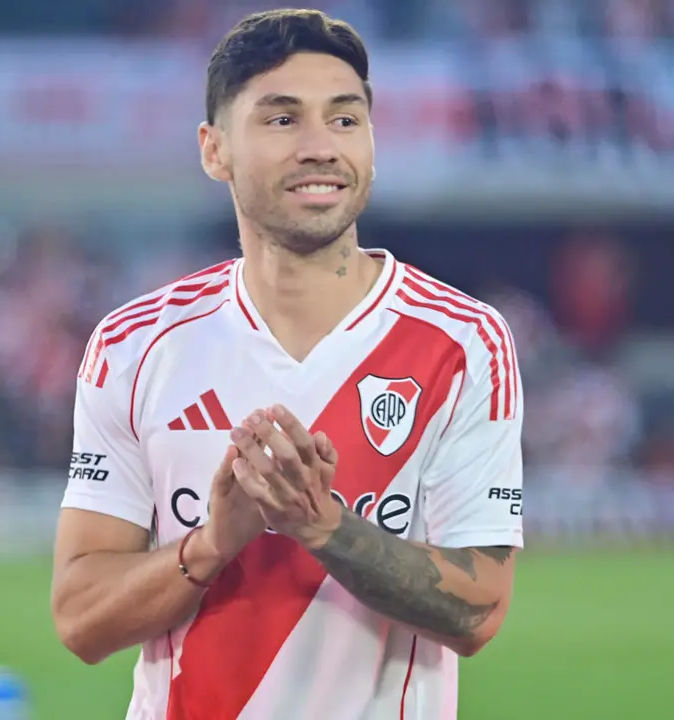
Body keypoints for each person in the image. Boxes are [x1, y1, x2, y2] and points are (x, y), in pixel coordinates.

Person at [50, 10, 524, 720]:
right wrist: (212, 544)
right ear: (215, 151)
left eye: (344, 120)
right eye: (281, 121)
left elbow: (479, 611)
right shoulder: (137, 344)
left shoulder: (460, 342)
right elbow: (82, 619)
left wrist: (322, 526)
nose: (320, 147)